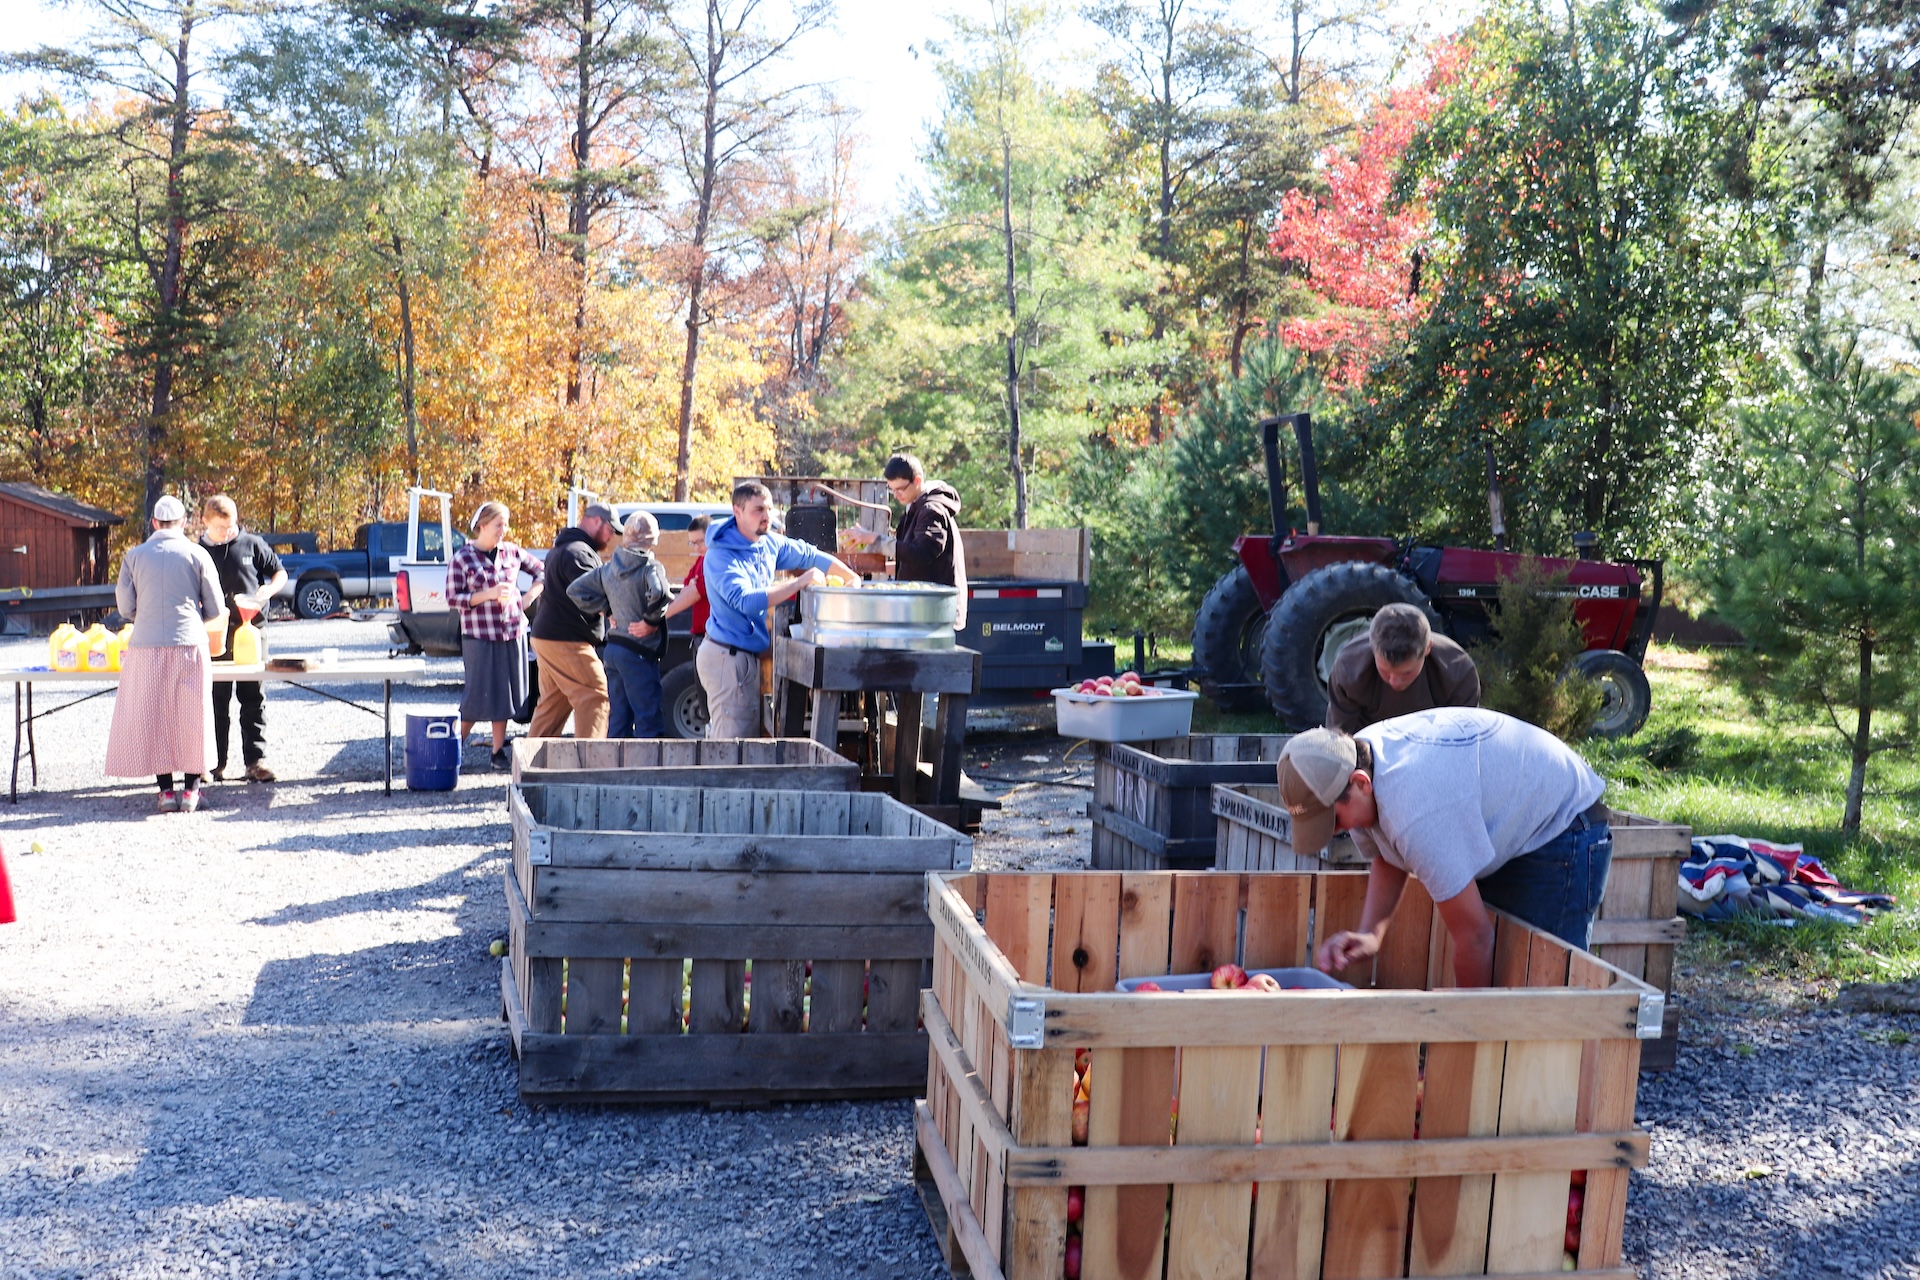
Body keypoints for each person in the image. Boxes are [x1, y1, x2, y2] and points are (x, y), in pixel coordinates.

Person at [1281, 707, 1612, 988]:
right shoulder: (1357, 760)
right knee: (1503, 983)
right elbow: (1388, 854)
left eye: (1334, 821)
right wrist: (1371, 934)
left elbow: (1475, 937)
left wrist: (1460, 1037)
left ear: (1360, 783)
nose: (1336, 831)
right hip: (1505, 813)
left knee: (1544, 994)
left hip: (1563, 823)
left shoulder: (1418, 811)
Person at [700, 482, 859, 739]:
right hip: (724, 658)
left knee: (745, 744)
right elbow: (746, 601)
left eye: (770, 509)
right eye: (758, 510)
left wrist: (851, 577)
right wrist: (798, 582)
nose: (767, 516)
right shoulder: (721, 555)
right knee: (731, 749)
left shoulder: (768, 542)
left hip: (744, 656)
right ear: (736, 512)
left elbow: (809, 555)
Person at [105, 495, 226, 812]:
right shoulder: (197, 554)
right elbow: (214, 609)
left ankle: (165, 793)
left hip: (145, 646)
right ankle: (191, 792)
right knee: (192, 715)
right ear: (184, 522)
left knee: (155, 715)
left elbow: (125, 607)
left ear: (154, 523)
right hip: (189, 643)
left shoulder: (134, 556)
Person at [197, 495, 287, 783]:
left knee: (253, 697)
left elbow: (279, 573)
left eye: (232, 526)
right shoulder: (197, 551)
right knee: (215, 699)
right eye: (222, 527)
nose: (228, 532)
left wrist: (268, 591)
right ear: (205, 522)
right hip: (214, 632)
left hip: (252, 629)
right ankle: (214, 763)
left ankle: (255, 761)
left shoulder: (252, 543)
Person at [448, 502, 545, 769]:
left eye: (505, 524)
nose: (504, 530)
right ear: (482, 525)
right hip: (479, 634)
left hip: (512, 631)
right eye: (498, 525)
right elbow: (453, 598)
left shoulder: (512, 552)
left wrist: (527, 598)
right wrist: (486, 595)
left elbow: (542, 570)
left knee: (503, 692)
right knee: (477, 694)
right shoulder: (463, 558)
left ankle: (497, 751)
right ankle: (451, 748)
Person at [568, 512, 672, 738]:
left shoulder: (608, 568)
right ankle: (648, 772)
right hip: (640, 651)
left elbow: (575, 591)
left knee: (619, 718)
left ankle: (616, 771)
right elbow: (661, 593)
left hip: (613, 650)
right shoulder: (650, 567)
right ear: (653, 539)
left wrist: (607, 610)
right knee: (648, 718)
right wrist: (650, 621)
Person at [528, 503, 620, 740]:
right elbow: (590, 594)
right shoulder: (579, 554)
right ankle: (590, 768)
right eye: (611, 530)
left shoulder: (564, 548)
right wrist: (612, 611)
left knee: (553, 705)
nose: (611, 537)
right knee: (595, 695)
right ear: (597, 521)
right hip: (566, 639)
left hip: (547, 636)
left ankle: (532, 768)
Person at [845, 453, 968, 629]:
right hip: (925, 612)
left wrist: (875, 540)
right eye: (891, 490)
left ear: (917, 481)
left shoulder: (931, 510)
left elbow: (921, 553)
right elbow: (909, 554)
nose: (895, 495)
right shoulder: (915, 507)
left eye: (900, 489)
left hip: (936, 614)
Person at [1324, 603, 1479, 733]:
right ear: (1373, 649)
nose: (1395, 682)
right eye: (1385, 671)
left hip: (1434, 743)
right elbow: (1339, 739)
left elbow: (1462, 740)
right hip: (1367, 745)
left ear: (1427, 649)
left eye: (1406, 673)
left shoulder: (1458, 671)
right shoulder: (1349, 668)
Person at [660, 514, 711, 639]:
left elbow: (695, 593)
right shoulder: (701, 559)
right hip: (699, 633)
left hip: (712, 635)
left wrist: (657, 619)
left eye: (700, 541)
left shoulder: (714, 562)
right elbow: (686, 587)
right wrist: (691, 587)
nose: (696, 547)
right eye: (692, 543)